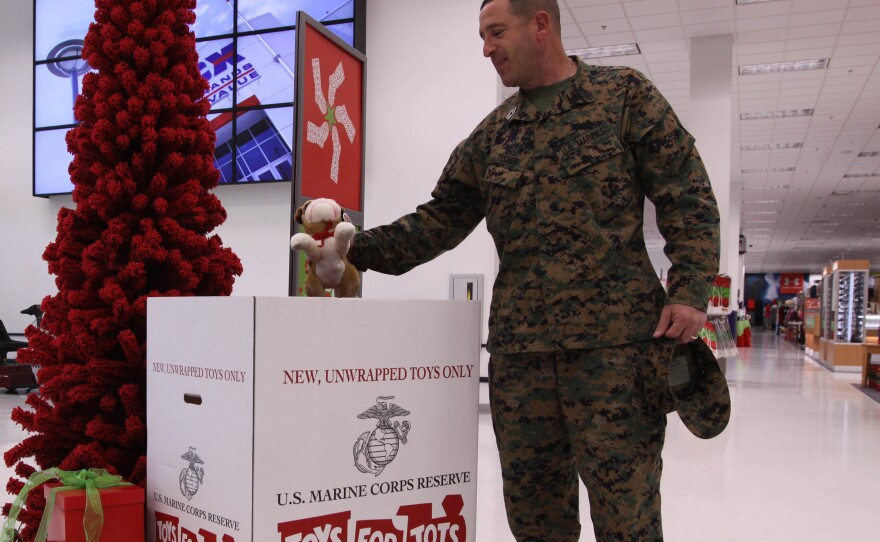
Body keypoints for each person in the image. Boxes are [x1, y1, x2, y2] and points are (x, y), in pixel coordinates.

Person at [347, 0, 721, 540]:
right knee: (535, 521)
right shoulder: (494, 135)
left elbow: (687, 194)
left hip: (615, 357)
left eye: (496, 32)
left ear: (540, 24)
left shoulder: (623, 98)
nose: (486, 49)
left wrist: (688, 290)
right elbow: (438, 221)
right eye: (482, 36)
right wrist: (353, 249)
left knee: (628, 518)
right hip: (522, 364)